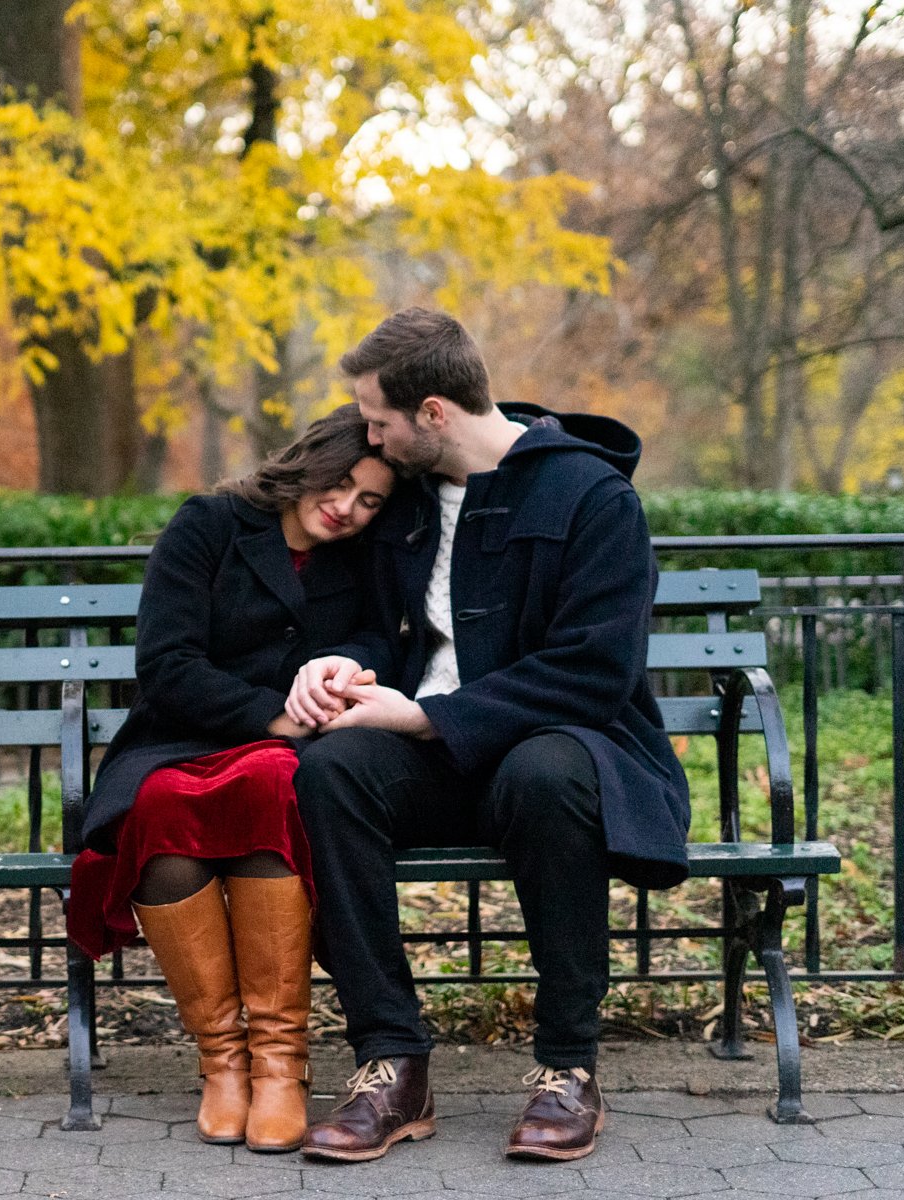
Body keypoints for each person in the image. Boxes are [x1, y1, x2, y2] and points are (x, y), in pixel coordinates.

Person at [285, 308, 691, 1164]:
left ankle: (567, 1068)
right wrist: (341, 668)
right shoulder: (407, 502)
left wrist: (431, 714)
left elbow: (595, 669)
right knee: (330, 772)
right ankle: (391, 1061)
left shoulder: (591, 496)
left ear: (434, 412)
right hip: (430, 764)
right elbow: (376, 627)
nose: (370, 436)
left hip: (562, 749)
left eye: (381, 420)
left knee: (547, 773)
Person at [68, 407, 394, 1153]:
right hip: (179, 740)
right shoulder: (212, 523)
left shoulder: (362, 557)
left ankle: (281, 1064)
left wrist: (346, 667)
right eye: (341, 484)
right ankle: (222, 1061)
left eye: (371, 499)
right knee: (160, 812)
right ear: (309, 462)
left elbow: (380, 638)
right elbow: (167, 663)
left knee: (271, 789)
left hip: (290, 757)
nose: (348, 508)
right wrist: (274, 715)